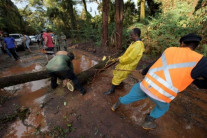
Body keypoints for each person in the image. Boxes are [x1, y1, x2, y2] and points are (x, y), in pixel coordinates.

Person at [111, 33, 207, 130]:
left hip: (146, 85)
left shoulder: (169, 50)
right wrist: (194, 81)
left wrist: (144, 71)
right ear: (196, 46)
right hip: (163, 95)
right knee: (163, 107)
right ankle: (148, 122)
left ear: (182, 43)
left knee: (135, 90)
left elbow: (155, 63)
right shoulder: (201, 61)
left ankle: (117, 104)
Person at [104, 28, 145, 95]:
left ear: (136, 35)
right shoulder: (134, 43)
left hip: (128, 64)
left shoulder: (138, 45)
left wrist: (120, 60)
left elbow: (130, 58)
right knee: (117, 73)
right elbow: (127, 54)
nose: (130, 36)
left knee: (117, 76)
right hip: (125, 63)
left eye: (131, 35)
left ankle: (112, 90)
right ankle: (119, 84)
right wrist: (119, 58)